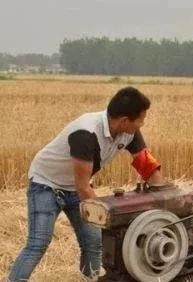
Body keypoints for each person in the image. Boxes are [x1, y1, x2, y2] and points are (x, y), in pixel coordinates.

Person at [9, 86, 167, 281]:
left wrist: (165, 198)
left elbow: (147, 166)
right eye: (141, 119)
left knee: (93, 241)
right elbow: (83, 186)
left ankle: (89, 279)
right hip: (46, 184)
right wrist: (109, 219)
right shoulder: (86, 133)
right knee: (38, 242)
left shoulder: (129, 133)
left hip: (76, 185)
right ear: (125, 120)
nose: (142, 124)